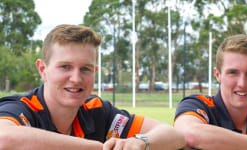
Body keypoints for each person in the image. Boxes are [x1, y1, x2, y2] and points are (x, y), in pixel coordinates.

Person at [0, 24, 185, 150]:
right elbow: (4, 137)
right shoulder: (23, 108)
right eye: (65, 67)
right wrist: (96, 147)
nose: (76, 78)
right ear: (42, 69)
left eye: (85, 69)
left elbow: (175, 135)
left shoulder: (97, 110)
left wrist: (140, 142)